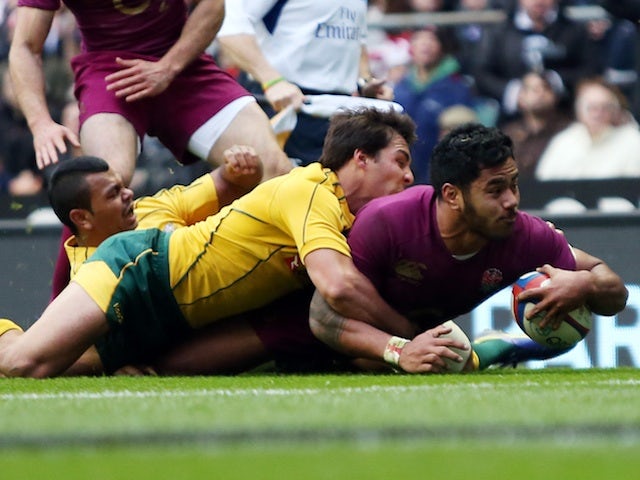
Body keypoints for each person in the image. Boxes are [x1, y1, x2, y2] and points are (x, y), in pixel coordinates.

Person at [0, 107, 420, 378]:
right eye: (400, 161)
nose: (409, 178)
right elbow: (339, 287)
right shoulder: (311, 190)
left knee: (34, 368)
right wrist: (410, 337)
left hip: (164, 319)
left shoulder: (341, 215)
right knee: (22, 365)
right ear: (361, 158)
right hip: (142, 270)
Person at [308, 123, 628, 373]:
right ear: (452, 196)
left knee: (445, 357)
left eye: (513, 184)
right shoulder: (386, 222)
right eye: (495, 190)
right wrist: (400, 348)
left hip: (418, 344)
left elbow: (614, 292)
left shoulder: (525, 233)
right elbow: (323, 315)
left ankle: (490, 350)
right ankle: (478, 353)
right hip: (314, 339)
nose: (511, 201)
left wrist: (585, 284)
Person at [8, 0, 292, 185]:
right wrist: (40, 123)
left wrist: (168, 67)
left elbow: (212, 5)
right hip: (109, 71)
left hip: (181, 61)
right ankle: (72, 280)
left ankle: (300, 274)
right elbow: (25, 46)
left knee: (276, 169)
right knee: (105, 184)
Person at [216, 0, 394, 165]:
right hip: (284, 105)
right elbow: (229, 26)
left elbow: (357, 39)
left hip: (340, 112)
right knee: (282, 194)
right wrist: (272, 81)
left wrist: (364, 82)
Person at [473, 0, 600, 118]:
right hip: (511, 118)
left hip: (565, 113)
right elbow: (481, 73)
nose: (539, 1)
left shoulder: (575, 30)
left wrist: (555, 82)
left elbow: (590, 69)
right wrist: (516, 93)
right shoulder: (497, 32)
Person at [393, 25, 475, 184]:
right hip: (403, 170)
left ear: (443, 47)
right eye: (420, 39)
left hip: (438, 173)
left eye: (432, 39)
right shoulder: (400, 86)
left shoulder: (457, 88)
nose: (426, 44)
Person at [535, 77, 640, 180]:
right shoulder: (564, 141)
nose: (598, 114)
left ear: (615, 111)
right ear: (579, 111)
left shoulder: (631, 140)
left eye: (605, 107)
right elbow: (543, 181)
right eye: (592, 108)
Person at [499, 70, 571, 180]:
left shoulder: (568, 131)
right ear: (520, 97)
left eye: (546, 88)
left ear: (556, 96)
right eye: (532, 89)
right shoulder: (508, 134)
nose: (540, 93)